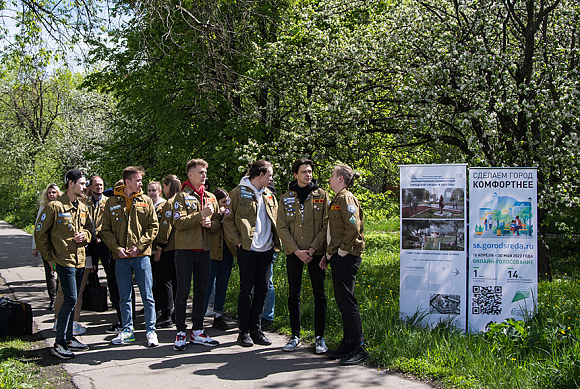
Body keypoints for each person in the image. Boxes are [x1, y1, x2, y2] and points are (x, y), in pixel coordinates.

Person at [34, 169, 93, 359]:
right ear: (71, 183)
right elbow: (40, 235)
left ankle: (69, 338)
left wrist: (85, 236)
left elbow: (90, 231)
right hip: (63, 260)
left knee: (73, 299)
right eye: (82, 184)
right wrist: (50, 259)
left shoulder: (83, 207)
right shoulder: (54, 207)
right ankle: (59, 343)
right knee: (69, 299)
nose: (85, 187)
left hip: (79, 259)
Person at [100, 166, 160, 347]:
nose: (141, 184)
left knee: (147, 295)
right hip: (121, 257)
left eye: (141, 180)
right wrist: (116, 248)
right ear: (127, 182)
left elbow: (153, 227)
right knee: (124, 296)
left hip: (141, 256)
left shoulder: (146, 201)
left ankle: (151, 330)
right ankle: (127, 330)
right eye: (138, 180)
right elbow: (105, 230)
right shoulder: (111, 202)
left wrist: (140, 246)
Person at [223, 160, 280, 347]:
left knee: (263, 289)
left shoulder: (270, 195)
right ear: (261, 174)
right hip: (247, 249)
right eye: (270, 175)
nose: (272, 178)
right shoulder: (238, 192)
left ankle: (256, 330)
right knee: (246, 291)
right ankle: (243, 332)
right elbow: (228, 220)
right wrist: (238, 241)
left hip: (266, 250)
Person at [277, 158, 329, 354]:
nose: (308, 175)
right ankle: (295, 335)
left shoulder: (322, 196)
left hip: (316, 253)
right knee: (294, 294)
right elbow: (281, 226)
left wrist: (313, 249)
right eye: (304, 172)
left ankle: (319, 337)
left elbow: (326, 225)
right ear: (295, 175)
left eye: (310, 171)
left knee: (319, 294)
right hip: (295, 253)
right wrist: (297, 251)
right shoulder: (286, 197)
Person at [320, 164, 368, 365]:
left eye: (332, 175)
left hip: (347, 255)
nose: (329, 179)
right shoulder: (338, 198)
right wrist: (328, 254)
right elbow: (335, 232)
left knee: (347, 301)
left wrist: (340, 252)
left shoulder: (346, 198)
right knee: (342, 300)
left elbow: (353, 228)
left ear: (340, 179)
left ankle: (359, 346)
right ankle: (348, 342)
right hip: (338, 255)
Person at [171, 159, 220, 351]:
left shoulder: (210, 197)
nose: (204, 175)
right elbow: (179, 223)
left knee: (202, 292)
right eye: (200, 172)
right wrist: (200, 214)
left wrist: (211, 224)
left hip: (205, 251)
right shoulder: (181, 197)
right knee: (183, 293)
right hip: (185, 251)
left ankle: (198, 330)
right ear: (190, 175)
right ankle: (181, 332)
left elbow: (217, 223)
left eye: (205, 172)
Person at [86, 176, 123, 334]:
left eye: (101, 185)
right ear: (91, 187)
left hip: (104, 242)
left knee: (110, 272)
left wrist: (103, 235)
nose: (100, 187)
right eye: (97, 185)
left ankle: (115, 301)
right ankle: (95, 301)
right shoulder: (85, 203)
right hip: (89, 241)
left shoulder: (107, 200)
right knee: (91, 271)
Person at [205, 188, 237, 330]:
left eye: (227, 202)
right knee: (206, 287)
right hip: (211, 253)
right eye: (223, 202)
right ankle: (199, 317)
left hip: (227, 253)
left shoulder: (229, 214)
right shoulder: (210, 213)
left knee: (222, 287)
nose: (225, 205)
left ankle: (218, 316)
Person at [153, 175, 181, 328]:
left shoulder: (170, 203)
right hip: (182, 247)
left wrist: (159, 248)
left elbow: (165, 227)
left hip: (169, 247)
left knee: (164, 281)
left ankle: (166, 314)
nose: (163, 190)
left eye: (164, 187)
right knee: (177, 281)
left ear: (169, 186)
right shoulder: (184, 201)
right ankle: (178, 313)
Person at [32, 183, 61, 310]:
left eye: (54, 192)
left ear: (58, 194)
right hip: (47, 246)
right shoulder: (43, 208)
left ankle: (61, 298)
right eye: (49, 193)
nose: (51, 195)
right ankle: (53, 299)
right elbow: (37, 229)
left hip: (59, 246)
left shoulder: (62, 206)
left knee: (61, 272)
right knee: (49, 272)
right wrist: (35, 246)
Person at [147, 181, 166, 323]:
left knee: (160, 280)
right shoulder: (147, 204)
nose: (152, 193)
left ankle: (161, 307)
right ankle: (154, 306)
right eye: (149, 190)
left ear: (160, 191)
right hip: (148, 248)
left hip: (160, 247)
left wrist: (160, 247)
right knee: (151, 280)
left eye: (154, 190)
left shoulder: (163, 205)